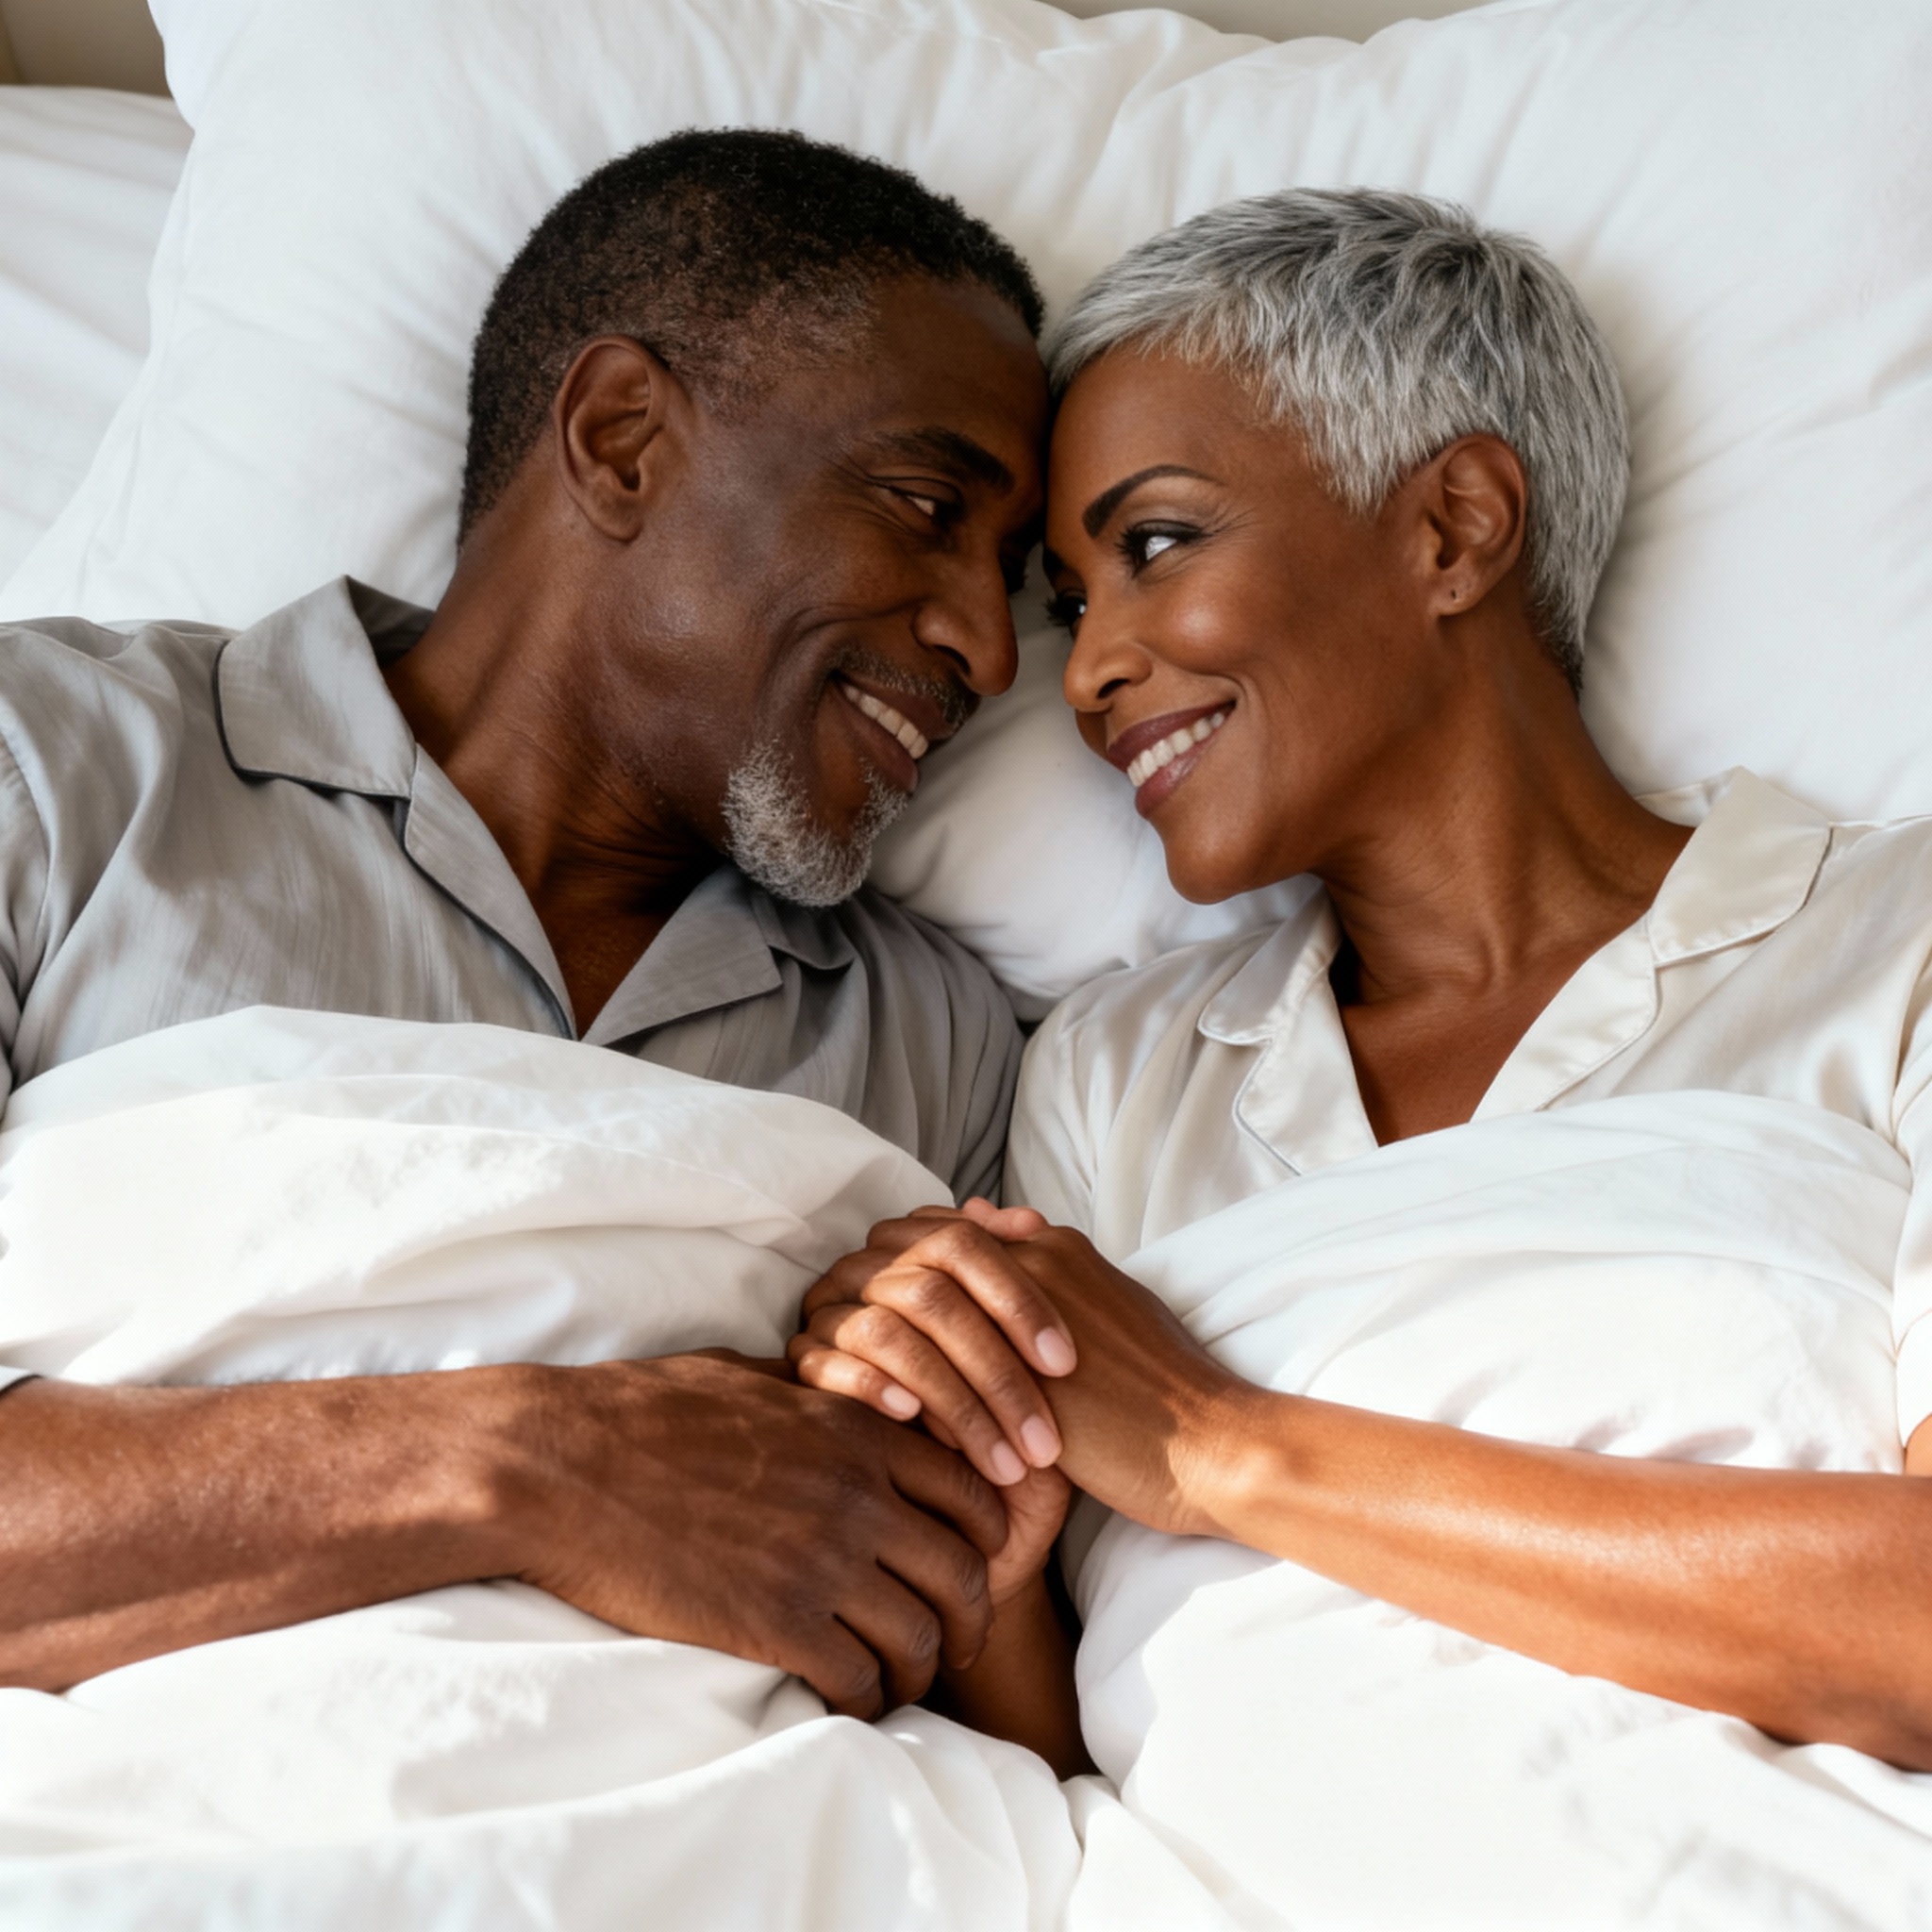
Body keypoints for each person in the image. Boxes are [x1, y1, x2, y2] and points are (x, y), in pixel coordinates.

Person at [791, 188, 1932, 1778]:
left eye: (1158, 544)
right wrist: (940, 1433)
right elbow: (1067, 1771)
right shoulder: (1124, 1076)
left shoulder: (1898, 942)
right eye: (1076, 603)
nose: (1091, 669)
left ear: (1454, 526)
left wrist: (1215, 1446)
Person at [0, 129, 1063, 1720]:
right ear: (622, 439)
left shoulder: (936, 1045)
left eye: (1016, 581)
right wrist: (537, 1460)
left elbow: (1002, 1698)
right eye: (922, 507)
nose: (984, 644)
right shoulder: (56, 766)